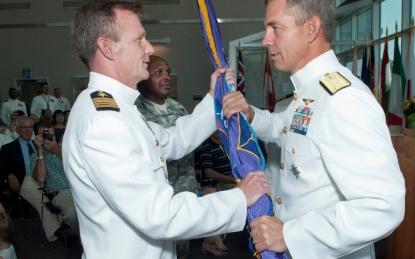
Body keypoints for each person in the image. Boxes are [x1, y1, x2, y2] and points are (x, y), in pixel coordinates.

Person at [64, 1, 270, 259]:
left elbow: (173, 140)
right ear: (107, 47)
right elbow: (158, 215)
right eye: (139, 39)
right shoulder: (104, 122)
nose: (149, 48)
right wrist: (240, 198)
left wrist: (213, 97)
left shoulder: (119, 110)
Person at [222, 0, 406, 258]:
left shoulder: (344, 99)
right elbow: (286, 129)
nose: (266, 39)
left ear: (311, 29)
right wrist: (250, 114)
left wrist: (290, 234)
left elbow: (383, 206)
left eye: (275, 28)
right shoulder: (309, 92)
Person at [136, 55, 198, 259]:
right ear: (144, 78)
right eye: (158, 73)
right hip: (158, 199)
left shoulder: (178, 108)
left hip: (185, 192)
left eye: (168, 72)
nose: (167, 77)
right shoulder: (136, 112)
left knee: (182, 249)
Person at [32, 121, 78, 235]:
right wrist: (40, 152)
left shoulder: (65, 148)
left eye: (51, 135)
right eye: (45, 135)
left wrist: (56, 149)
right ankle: (86, 240)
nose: (49, 138)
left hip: (79, 188)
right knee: (74, 214)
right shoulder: (36, 156)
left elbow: (78, 164)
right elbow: (41, 178)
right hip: (62, 193)